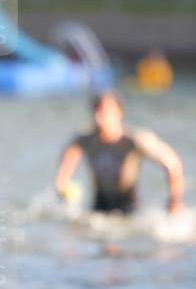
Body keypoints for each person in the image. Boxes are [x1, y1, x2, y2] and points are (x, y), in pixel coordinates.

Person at [54, 91, 183, 215]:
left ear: (118, 113)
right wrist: (62, 188)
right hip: (99, 208)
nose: (98, 117)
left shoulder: (135, 140)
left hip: (129, 212)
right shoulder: (85, 140)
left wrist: (174, 201)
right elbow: (65, 165)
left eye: (103, 111)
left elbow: (172, 163)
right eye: (95, 110)